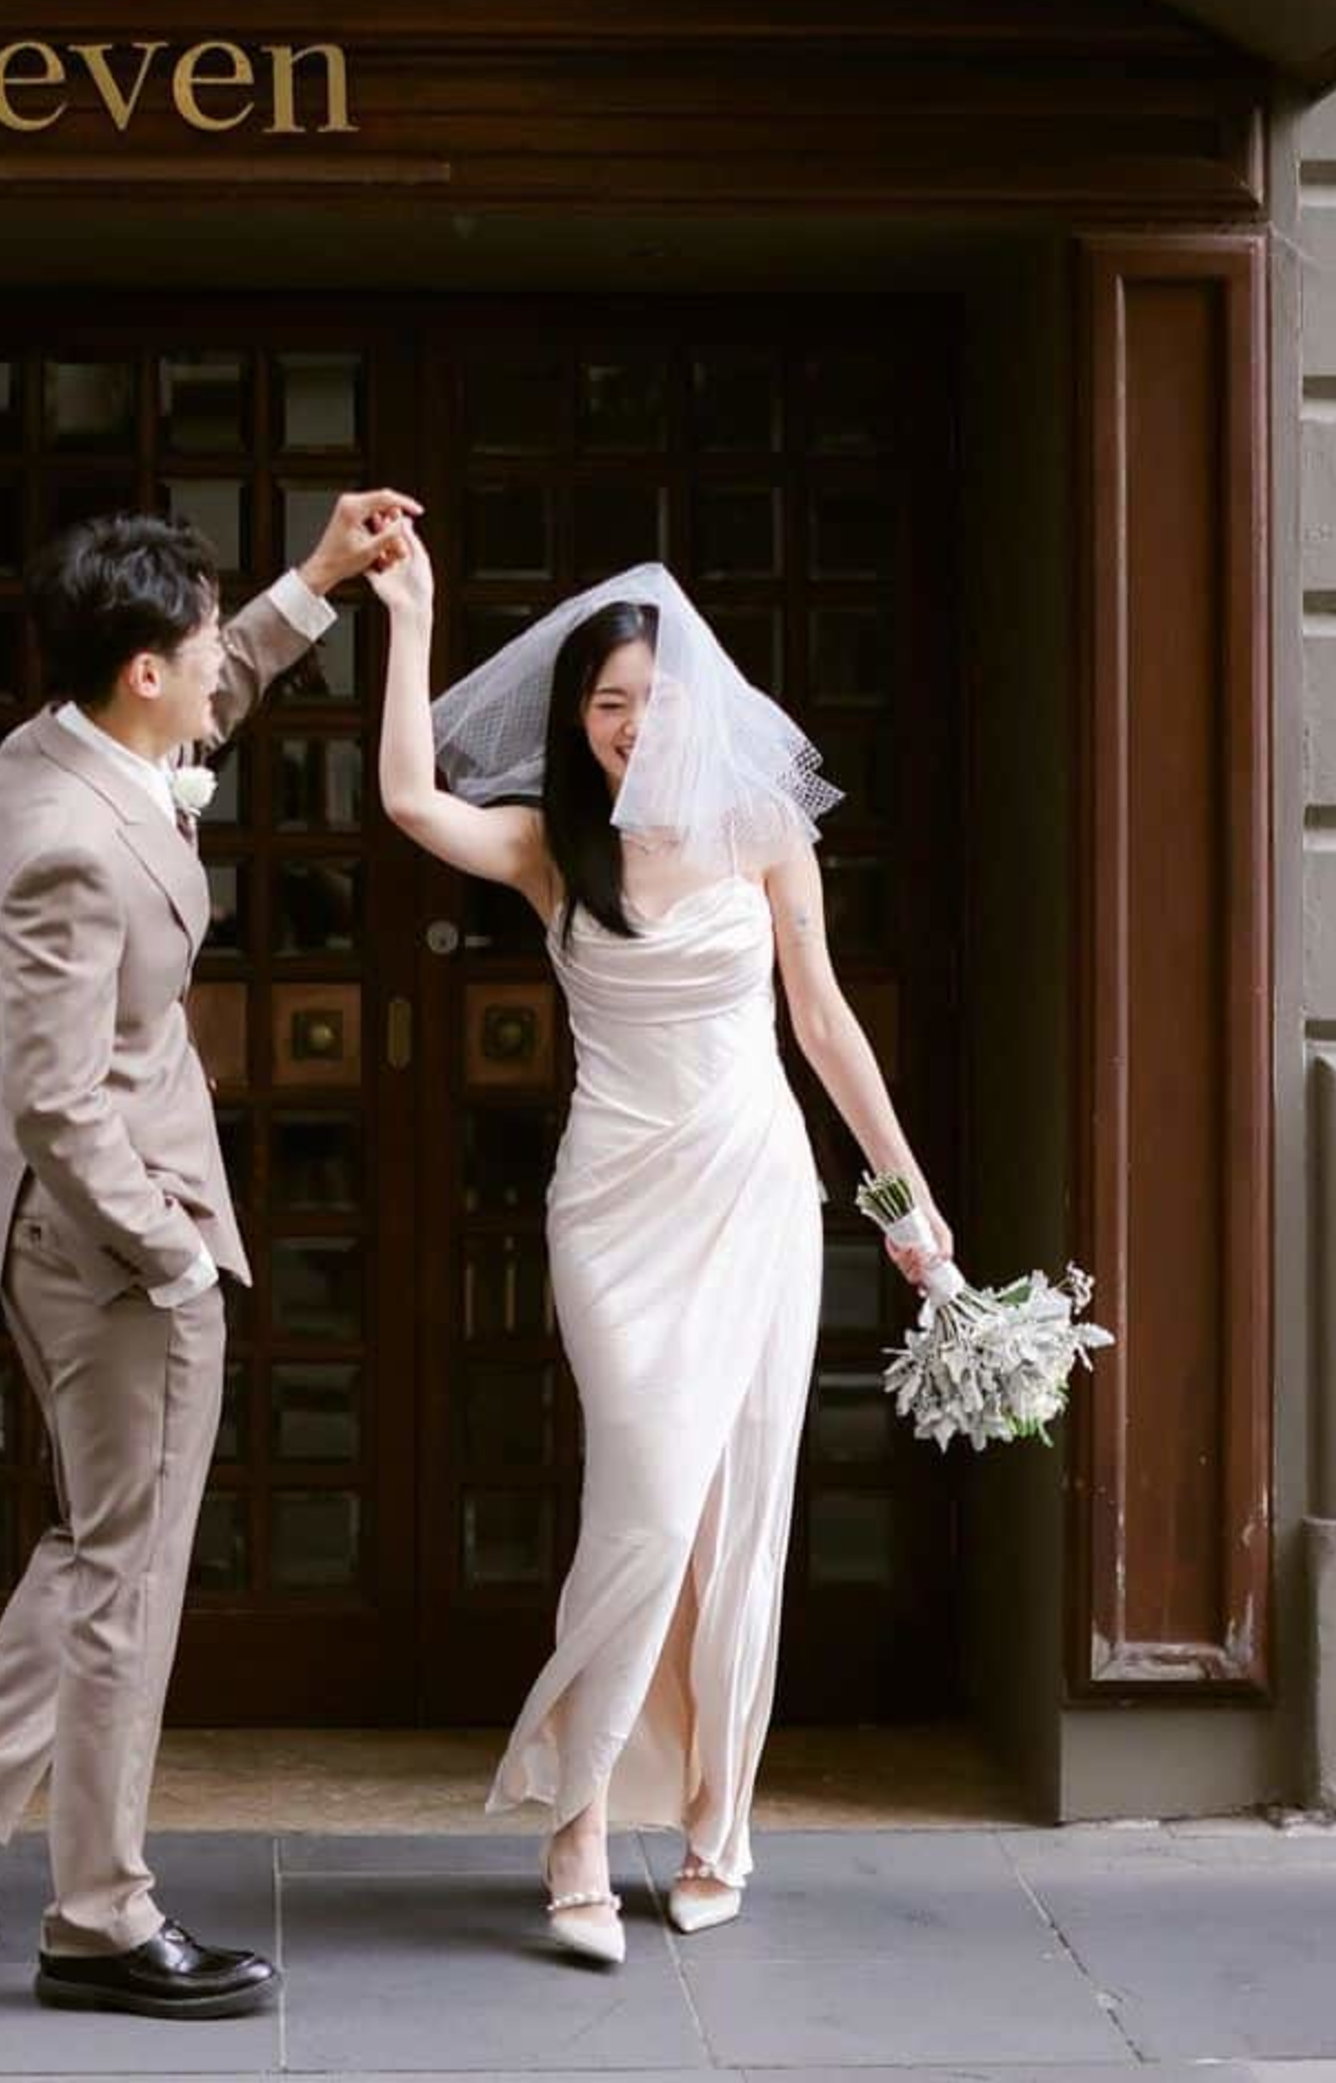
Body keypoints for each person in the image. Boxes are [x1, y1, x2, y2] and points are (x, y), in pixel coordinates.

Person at [0, 491, 417, 2019]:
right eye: (199, 642)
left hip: (63, 1229)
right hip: (113, 1246)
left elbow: (215, 691)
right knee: (132, 1575)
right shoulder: (70, 843)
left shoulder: (52, 750)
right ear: (141, 675)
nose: (215, 667)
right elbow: (57, 1100)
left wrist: (319, 579)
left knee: (102, 1538)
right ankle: (101, 1919)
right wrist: (172, 1259)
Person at [368, 540, 950, 1958]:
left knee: (738, 1513)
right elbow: (405, 799)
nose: (630, 724)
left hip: (753, 1193)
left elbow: (822, 1022)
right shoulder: (547, 848)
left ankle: (712, 1820)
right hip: (614, 1205)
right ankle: (575, 1822)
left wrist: (907, 1203)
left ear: (697, 703)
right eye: (606, 702)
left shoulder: (764, 828)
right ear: (577, 719)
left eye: (651, 697)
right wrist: (413, 616)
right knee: (641, 1502)